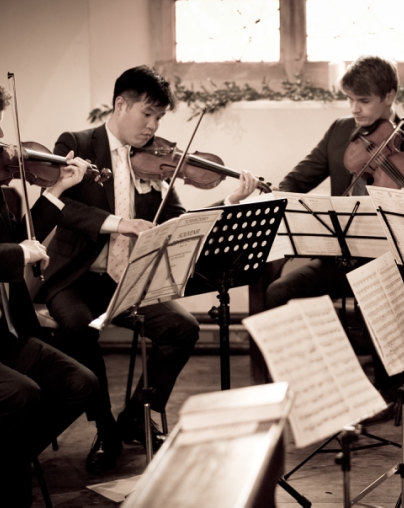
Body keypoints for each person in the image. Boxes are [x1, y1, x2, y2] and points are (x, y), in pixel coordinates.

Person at [34, 65, 258, 473]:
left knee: (183, 329)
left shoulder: (154, 161)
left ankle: (138, 414)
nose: (153, 126)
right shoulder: (77, 143)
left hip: (130, 277)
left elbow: (178, 219)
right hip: (78, 278)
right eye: (147, 114)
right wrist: (119, 223)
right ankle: (104, 428)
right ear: (121, 105)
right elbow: (64, 208)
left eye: (159, 118)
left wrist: (229, 202)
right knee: (78, 327)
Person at [0, 68, 98, 507]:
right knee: (23, 396)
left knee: (78, 384)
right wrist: (17, 256)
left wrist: (58, 192)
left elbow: (14, 235)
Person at [264, 55, 404, 399]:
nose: (354, 109)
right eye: (350, 99)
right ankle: (310, 387)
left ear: (389, 97)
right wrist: (273, 197)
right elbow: (300, 178)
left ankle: (388, 390)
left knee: (370, 287)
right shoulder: (339, 131)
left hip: (397, 264)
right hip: (342, 258)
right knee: (279, 292)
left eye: (364, 100)